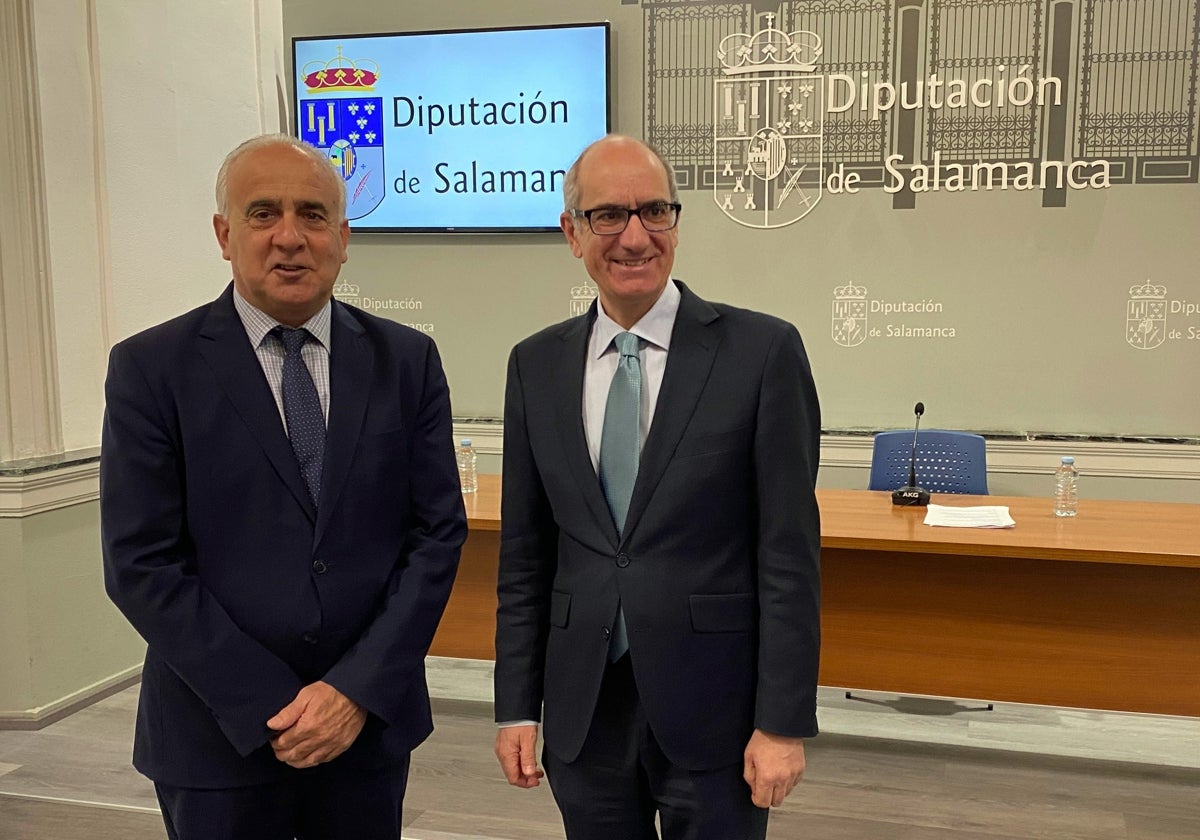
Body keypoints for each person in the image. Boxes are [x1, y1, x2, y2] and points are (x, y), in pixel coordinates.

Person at [100, 133, 466, 839]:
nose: (289, 237)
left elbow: (435, 535)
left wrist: (352, 692)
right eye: (263, 213)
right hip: (217, 737)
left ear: (344, 235)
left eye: (312, 214)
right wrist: (273, 703)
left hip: (367, 735)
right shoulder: (152, 369)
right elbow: (140, 564)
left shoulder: (407, 360)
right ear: (224, 233)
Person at [493, 134, 822, 839]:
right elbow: (524, 558)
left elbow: (788, 558)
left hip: (718, 715)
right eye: (609, 215)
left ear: (677, 221)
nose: (635, 236)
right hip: (585, 709)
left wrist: (782, 722)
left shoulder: (761, 354)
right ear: (571, 231)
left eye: (655, 212)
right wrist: (516, 706)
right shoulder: (535, 366)